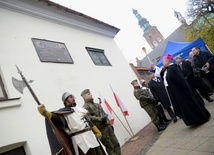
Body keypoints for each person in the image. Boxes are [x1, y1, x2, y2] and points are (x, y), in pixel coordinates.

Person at [38, 92, 107, 155]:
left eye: (73, 97)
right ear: (65, 101)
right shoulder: (63, 113)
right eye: (70, 97)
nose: (73, 98)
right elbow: (55, 118)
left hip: (90, 136)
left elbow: (87, 121)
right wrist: (46, 113)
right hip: (79, 140)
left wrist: (95, 129)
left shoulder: (79, 109)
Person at [160, 54, 211, 126]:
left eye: (164, 61)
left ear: (168, 61)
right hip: (179, 92)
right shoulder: (169, 69)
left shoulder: (173, 68)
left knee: (191, 105)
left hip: (182, 92)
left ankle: (200, 118)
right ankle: (194, 120)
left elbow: (180, 80)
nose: (163, 63)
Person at [81, 89, 121, 155]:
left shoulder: (96, 104)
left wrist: (109, 124)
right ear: (84, 97)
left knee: (116, 144)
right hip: (101, 129)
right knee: (110, 147)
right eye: (88, 94)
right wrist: (99, 119)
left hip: (107, 126)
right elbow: (88, 117)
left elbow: (104, 113)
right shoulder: (85, 107)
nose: (91, 94)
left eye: (90, 93)